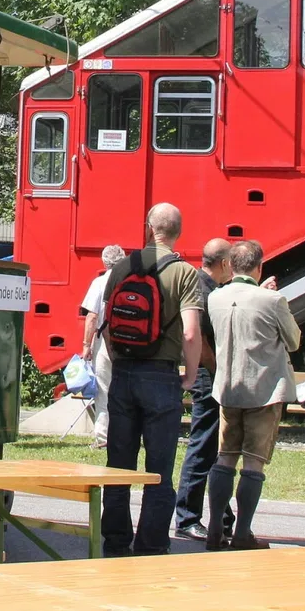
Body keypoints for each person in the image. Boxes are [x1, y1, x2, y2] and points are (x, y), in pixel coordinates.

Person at [101, 203, 203, 557]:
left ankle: (114, 542)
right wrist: (189, 374)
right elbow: (190, 333)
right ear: (179, 232)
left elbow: (106, 323)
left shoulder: (121, 268)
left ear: (148, 228)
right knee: (158, 469)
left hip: (124, 374)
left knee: (118, 465)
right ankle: (151, 545)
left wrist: (116, 361)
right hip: (161, 376)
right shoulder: (185, 274)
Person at [204, 240, 300, 551]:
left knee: (225, 457)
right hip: (264, 390)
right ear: (259, 267)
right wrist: (271, 296)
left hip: (228, 389)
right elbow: (294, 340)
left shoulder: (215, 298)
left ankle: (215, 528)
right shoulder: (273, 300)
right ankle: (242, 533)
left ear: (230, 266)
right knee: (253, 463)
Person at [174, 239, 234, 542]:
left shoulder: (207, 286)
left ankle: (220, 513)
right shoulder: (203, 288)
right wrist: (215, 371)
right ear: (223, 263)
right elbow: (200, 337)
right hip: (206, 375)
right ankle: (187, 516)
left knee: (213, 444)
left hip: (206, 373)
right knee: (204, 443)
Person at [80, 245, 126, 449]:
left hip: (104, 339)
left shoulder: (99, 282)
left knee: (104, 389)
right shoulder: (129, 281)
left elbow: (91, 317)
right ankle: (126, 434)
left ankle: (103, 437)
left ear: (104, 262)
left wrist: (86, 345)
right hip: (128, 340)